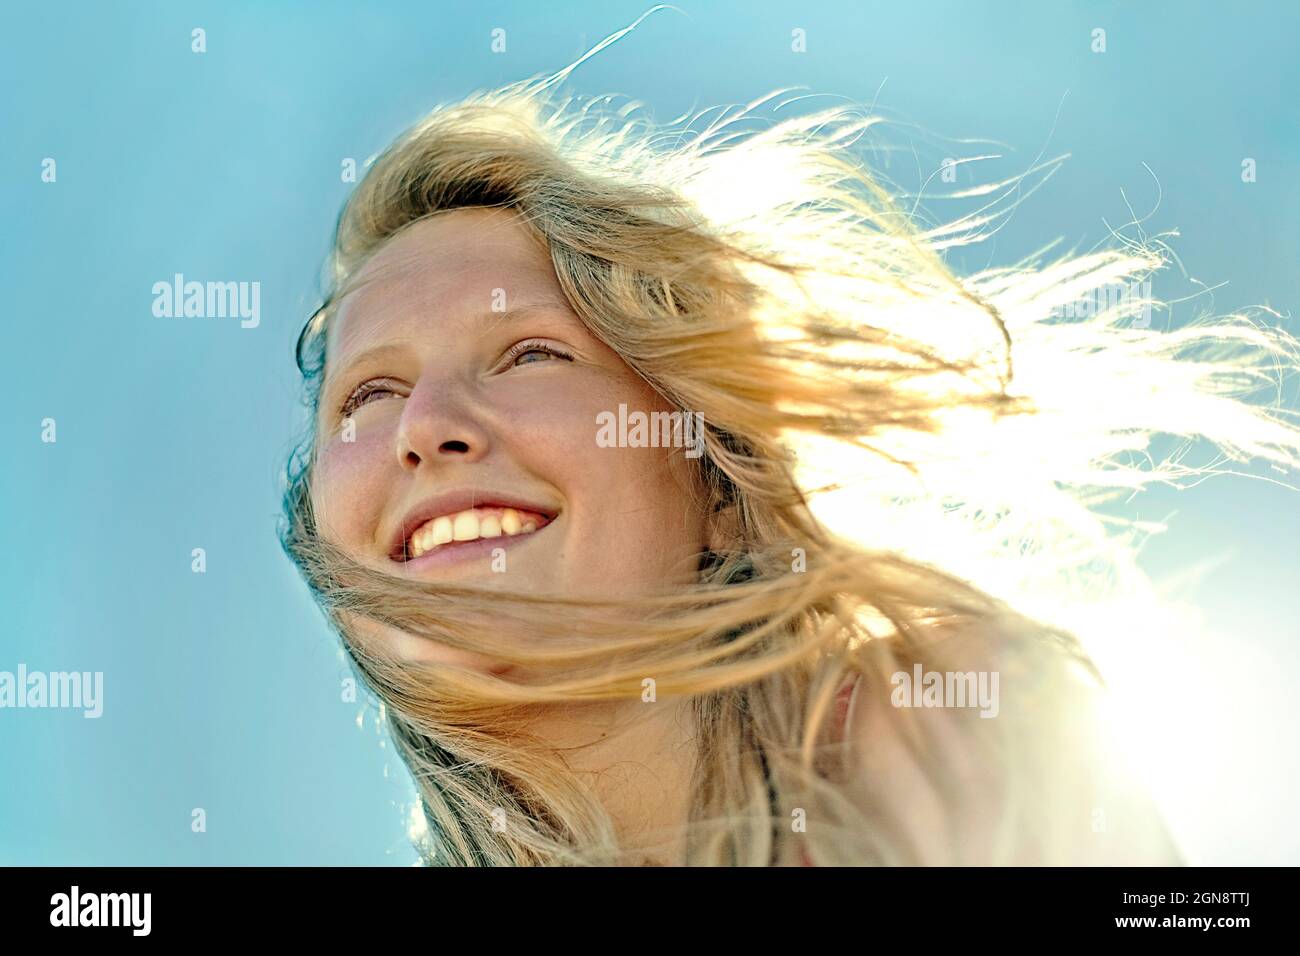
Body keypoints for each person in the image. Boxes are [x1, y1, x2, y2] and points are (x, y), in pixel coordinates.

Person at [279, 63, 1299, 866]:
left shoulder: (947, 739)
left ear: (715, 483)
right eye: (366, 396)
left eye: (530, 353)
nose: (427, 425)